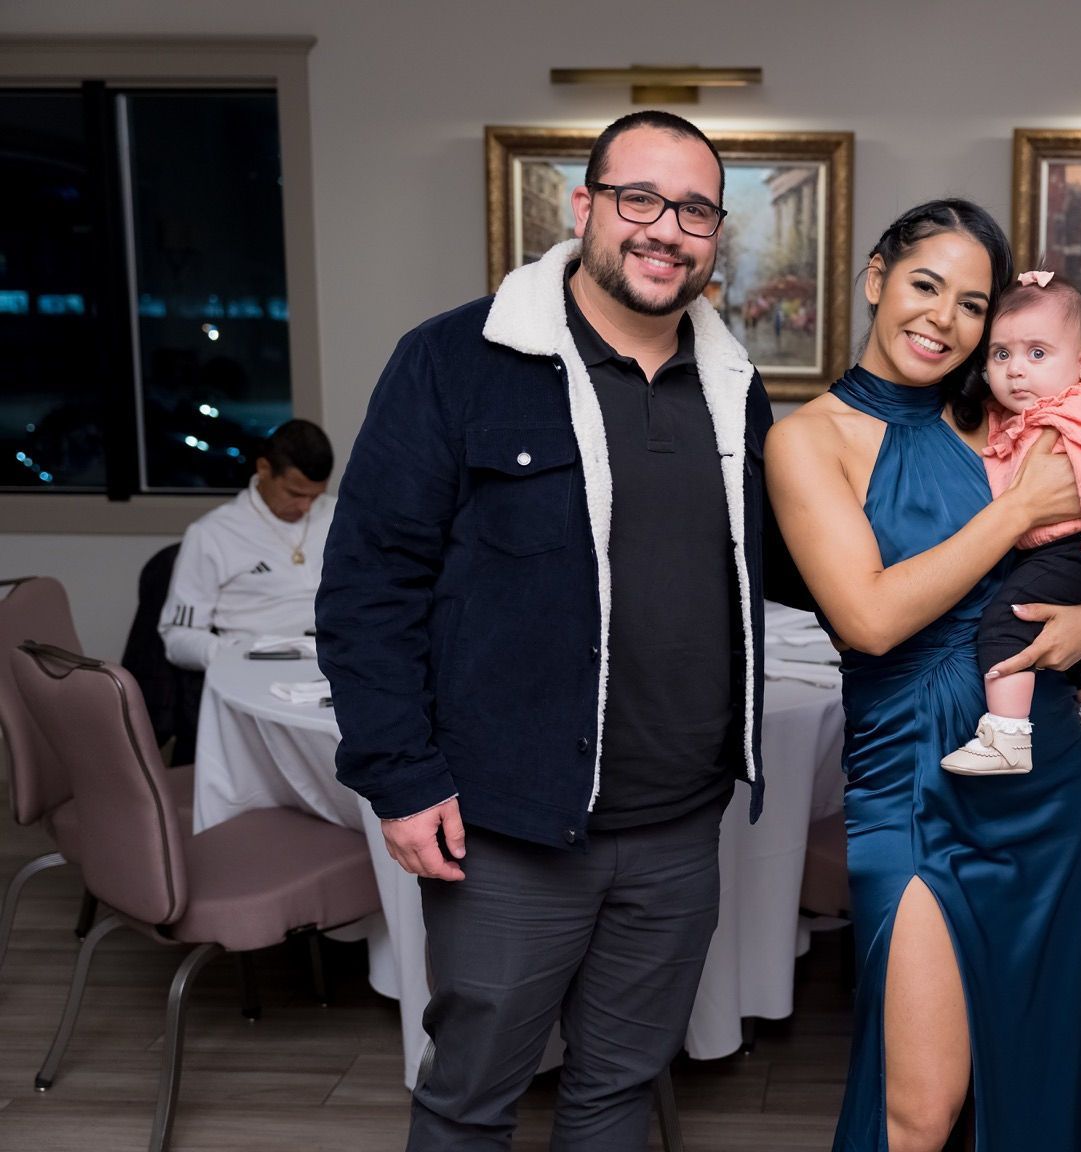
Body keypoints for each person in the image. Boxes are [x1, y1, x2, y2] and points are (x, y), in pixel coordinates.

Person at [317, 110, 801, 1150]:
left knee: (619, 1091)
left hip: (681, 826)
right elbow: (368, 586)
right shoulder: (455, 360)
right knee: (469, 1101)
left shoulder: (735, 387)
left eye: (695, 211)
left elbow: (789, 561)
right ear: (585, 207)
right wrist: (400, 776)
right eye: (640, 199)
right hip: (507, 829)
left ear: (717, 236)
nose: (665, 229)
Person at [766, 200, 1081, 1152]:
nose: (944, 320)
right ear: (876, 277)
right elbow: (870, 618)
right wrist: (1014, 514)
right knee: (919, 1109)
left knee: (1041, 1073)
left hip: (1044, 774)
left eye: (972, 305)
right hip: (914, 782)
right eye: (926, 285)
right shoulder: (809, 440)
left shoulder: (1009, 411)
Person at [939, 270, 1081, 780]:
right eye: (1001, 354)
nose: (1016, 370)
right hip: (1047, 548)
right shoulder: (1013, 412)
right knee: (1043, 623)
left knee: (1006, 621)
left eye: (1037, 353)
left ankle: (1008, 735)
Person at [158, 418, 334, 669]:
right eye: (295, 494)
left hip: (341, 661)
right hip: (259, 666)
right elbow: (178, 637)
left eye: (315, 496)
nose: (305, 507)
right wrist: (238, 654)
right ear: (263, 469)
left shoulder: (340, 515)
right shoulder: (212, 533)